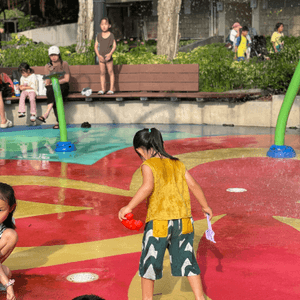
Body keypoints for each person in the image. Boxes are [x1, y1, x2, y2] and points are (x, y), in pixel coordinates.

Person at [118, 128, 213, 300]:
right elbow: (193, 185)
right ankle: (200, 298)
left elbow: (147, 187)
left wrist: (128, 207)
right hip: (183, 222)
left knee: (149, 264)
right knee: (188, 261)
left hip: (159, 223)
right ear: (160, 144)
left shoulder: (148, 165)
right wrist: (205, 206)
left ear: (139, 150)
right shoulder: (177, 163)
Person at [37, 46, 70, 129]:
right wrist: (48, 80)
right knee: (52, 92)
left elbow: (66, 79)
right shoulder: (48, 65)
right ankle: (58, 121)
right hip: (52, 87)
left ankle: (46, 113)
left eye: (55, 55)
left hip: (63, 86)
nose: (53, 57)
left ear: (59, 55)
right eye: (51, 55)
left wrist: (55, 82)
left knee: (55, 92)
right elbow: (48, 82)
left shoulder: (64, 64)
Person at [0, 182, 18, 300]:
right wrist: (8, 285)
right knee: (5, 274)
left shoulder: (7, 231)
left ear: (11, 208)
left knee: (6, 272)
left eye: (0, 210)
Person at [94, 17, 116, 95]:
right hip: (101, 58)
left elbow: (114, 46)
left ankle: (111, 89)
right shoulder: (99, 35)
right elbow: (95, 46)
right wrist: (98, 56)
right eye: (102, 24)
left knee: (110, 72)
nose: (104, 26)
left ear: (109, 25)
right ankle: (103, 89)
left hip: (108, 57)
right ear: (100, 25)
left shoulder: (111, 35)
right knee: (102, 73)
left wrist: (110, 54)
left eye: (106, 24)